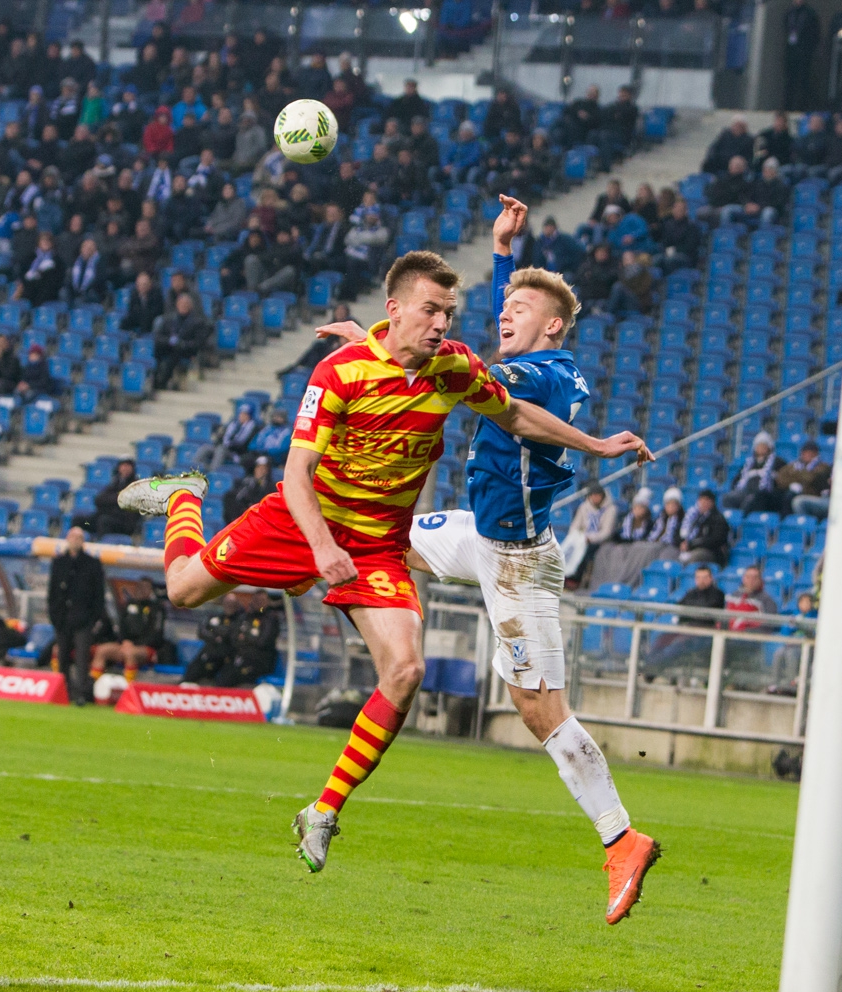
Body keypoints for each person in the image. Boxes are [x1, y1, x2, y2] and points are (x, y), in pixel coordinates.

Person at [116, 237, 652, 901]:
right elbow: (295, 475)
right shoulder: (341, 373)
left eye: (448, 316)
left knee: (406, 670)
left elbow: (510, 404)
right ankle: (185, 495)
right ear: (395, 310)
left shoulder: (458, 368)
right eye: (431, 312)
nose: (443, 325)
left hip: (392, 546)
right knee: (183, 588)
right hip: (308, 520)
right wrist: (318, 547)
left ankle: (324, 810)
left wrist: (598, 444)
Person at [48, 526, 106, 705]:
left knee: (82, 659)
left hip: (83, 620)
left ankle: (81, 694)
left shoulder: (92, 564)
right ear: (67, 539)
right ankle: (64, 692)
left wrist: (92, 619)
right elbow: (52, 594)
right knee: (62, 657)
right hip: (63, 619)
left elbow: (99, 596)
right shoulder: (59, 563)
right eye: (73, 537)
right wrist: (55, 617)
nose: (75, 540)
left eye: (79, 537)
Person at [642, 564, 724, 677]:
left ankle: (653, 671)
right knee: (662, 639)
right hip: (687, 628)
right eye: (698, 577)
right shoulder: (691, 593)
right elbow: (681, 608)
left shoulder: (718, 594)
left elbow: (710, 610)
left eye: (705, 577)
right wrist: (695, 612)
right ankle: (647, 667)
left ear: (711, 578)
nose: (701, 581)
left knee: (677, 645)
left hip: (705, 632)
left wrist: (693, 611)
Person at [89, 577, 167, 683]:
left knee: (130, 654)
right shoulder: (128, 605)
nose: (141, 590)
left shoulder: (157, 609)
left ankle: (128, 689)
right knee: (102, 650)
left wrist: (136, 644)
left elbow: (157, 634)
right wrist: (124, 640)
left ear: (150, 591)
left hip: (145, 648)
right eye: (139, 587)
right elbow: (121, 627)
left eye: (145, 587)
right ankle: (93, 687)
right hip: (125, 645)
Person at [214, 590, 279, 686]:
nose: (258, 603)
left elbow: (262, 642)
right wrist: (248, 639)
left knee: (237, 674)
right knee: (224, 671)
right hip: (241, 658)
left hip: (260, 661)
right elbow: (234, 637)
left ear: (267, 601)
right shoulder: (246, 617)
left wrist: (245, 638)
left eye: (262, 600)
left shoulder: (271, 619)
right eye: (256, 600)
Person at [152, 292, 208, 391]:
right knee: (157, 350)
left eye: (186, 304)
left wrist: (183, 344)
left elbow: (198, 343)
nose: (183, 306)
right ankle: (154, 380)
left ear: (190, 306)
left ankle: (162, 382)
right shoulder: (169, 320)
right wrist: (169, 341)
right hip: (168, 347)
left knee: (175, 353)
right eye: (181, 304)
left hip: (185, 351)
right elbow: (159, 337)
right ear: (177, 305)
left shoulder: (198, 322)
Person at [183, 593, 242, 684]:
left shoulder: (239, 620)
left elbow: (231, 635)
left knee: (225, 675)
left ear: (236, 605)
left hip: (228, 655)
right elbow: (202, 631)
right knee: (195, 667)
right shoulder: (216, 617)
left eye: (232, 603)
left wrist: (218, 633)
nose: (229, 606)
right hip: (210, 652)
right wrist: (215, 637)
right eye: (227, 602)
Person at [724, 432, 785, 514]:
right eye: (758, 446)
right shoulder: (749, 463)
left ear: (769, 447)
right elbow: (738, 479)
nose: (760, 448)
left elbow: (782, 481)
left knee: (753, 500)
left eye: (763, 446)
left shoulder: (778, 462)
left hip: (764, 496)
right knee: (728, 498)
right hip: (746, 492)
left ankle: (743, 521)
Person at [79, 459, 141, 538]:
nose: (125, 468)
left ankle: (101, 546)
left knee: (103, 521)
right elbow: (99, 500)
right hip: (106, 517)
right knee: (82, 521)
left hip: (124, 524)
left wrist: (110, 502)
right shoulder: (115, 482)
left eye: (127, 466)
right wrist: (116, 500)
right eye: (123, 465)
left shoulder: (136, 485)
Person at [777, 440, 831, 517]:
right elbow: (781, 477)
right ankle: (784, 522)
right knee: (781, 494)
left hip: (812, 495)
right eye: (805, 452)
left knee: (793, 498)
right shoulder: (794, 465)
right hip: (793, 492)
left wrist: (795, 474)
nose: (807, 455)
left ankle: (800, 523)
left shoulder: (822, 467)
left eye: (811, 452)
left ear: (816, 454)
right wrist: (791, 483)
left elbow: (811, 479)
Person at [680, 489, 730, 564]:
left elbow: (716, 540)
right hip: (695, 548)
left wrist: (691, 544)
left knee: (693, 557)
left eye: (706, 500)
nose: (703, 503)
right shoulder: (699, 518)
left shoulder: (718, 519)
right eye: (701, 500)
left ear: (712, 502)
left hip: (712, 552)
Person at [205, 404, 261, 471]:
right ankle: (197, 471)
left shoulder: (253, 428)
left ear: (249, 416)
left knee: (221, 449)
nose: (242, 416)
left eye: (245, 414)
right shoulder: (233, 424)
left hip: (237, 453)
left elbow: (243, 445)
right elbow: (223, 438)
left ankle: (212, 472)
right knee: (205, 448)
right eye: (241, 414)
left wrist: (228, 445)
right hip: (225, 448)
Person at [225, 456, 274, 523]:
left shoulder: (271, 487)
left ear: (267, 470)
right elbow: (239, 498)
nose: (261, 470)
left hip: (261, 518)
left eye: (264, 468)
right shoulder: (246, 483)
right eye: (258, 467)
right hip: (245, 515)